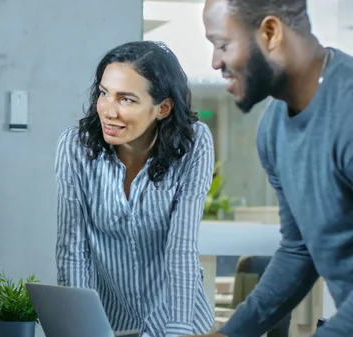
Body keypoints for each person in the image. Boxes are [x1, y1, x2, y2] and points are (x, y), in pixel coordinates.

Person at [188, 0, 353, 336]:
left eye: (223, 44)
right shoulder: (273, 129)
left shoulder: (347, 111)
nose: (215, 61)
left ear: (270, 32)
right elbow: (299, 250)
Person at [55, 40, 215, 337]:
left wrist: (178, 331)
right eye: (104, 94)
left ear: (163, 108)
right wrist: (76, 330)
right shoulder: (75, 147)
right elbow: (73, 251)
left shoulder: (195, 145)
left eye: (126, 99)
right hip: (114, 324)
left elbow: (181, 248)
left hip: (180, 319)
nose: (108, 111)